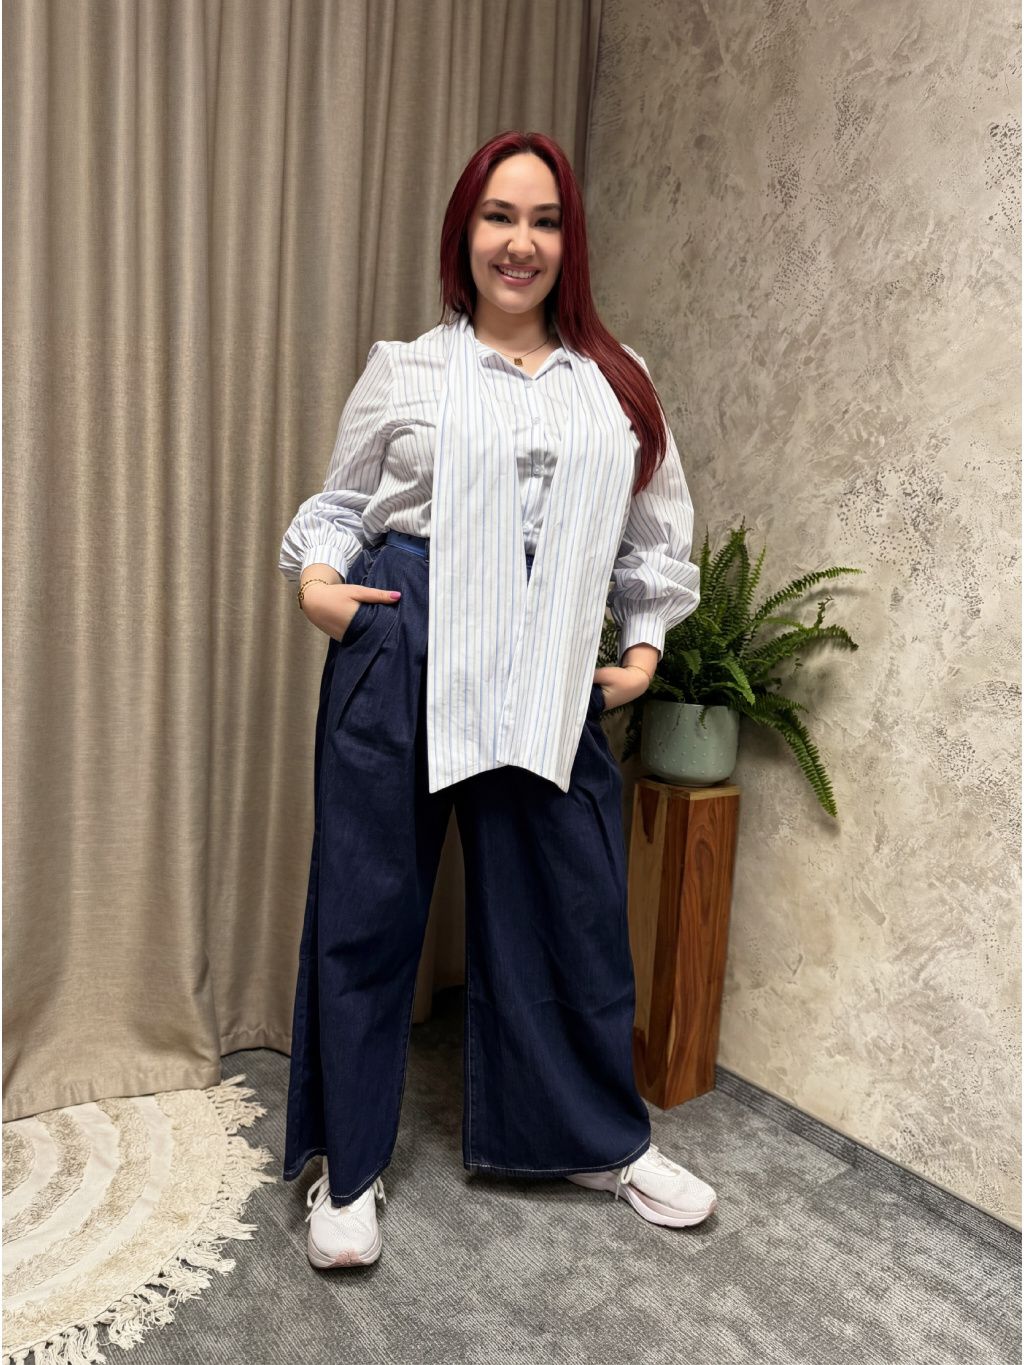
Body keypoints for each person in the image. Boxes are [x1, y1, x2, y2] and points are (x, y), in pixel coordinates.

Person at [278, 130, 718, 1270]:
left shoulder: (616, 382)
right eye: (499, 216)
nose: (520, 242)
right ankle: (349, 1167)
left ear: (570, 242)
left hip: (548, 642)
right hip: (408, 627)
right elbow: (340, 503)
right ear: (463, 233)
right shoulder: (407, 367)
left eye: (545, 221)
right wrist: (321, 588)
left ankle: (595, 1140)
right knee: (370, 905)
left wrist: (642, 650)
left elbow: (655, 534)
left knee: (569, 900)